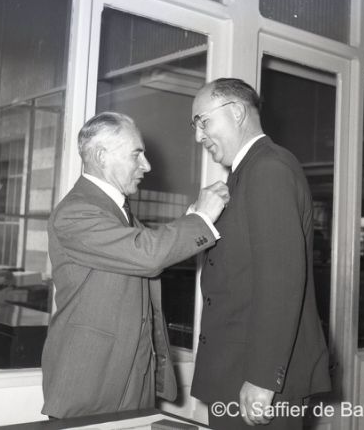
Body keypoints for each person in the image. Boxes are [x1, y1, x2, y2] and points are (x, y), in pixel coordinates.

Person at [41, 111, 229, 419]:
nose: (147, 165)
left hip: (132, 378)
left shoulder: (116, 211)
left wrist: (192, 217)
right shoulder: (76, 212)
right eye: (136, 154)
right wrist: (201, 219)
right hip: (91, 383)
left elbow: (146, 248)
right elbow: (147, 254)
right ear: (101, 156)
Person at [190, 79, 331, 429]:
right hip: (237, 371)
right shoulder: (246, 173)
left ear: (237, 112)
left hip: (256, 380)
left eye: (203, 122)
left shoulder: (268, 168)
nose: (198, 136)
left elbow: (281, 282)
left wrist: (263, 378)